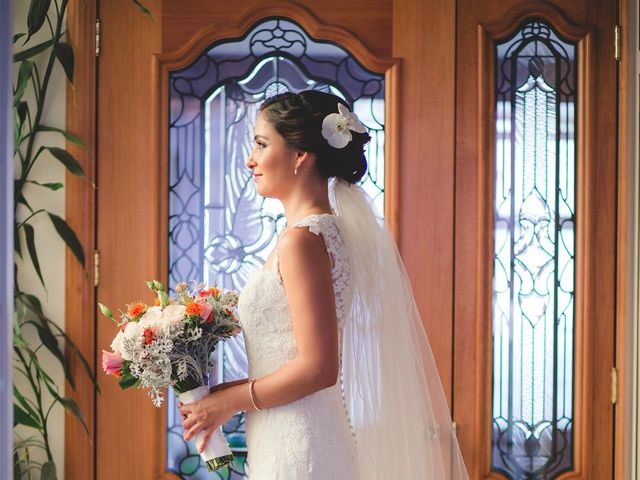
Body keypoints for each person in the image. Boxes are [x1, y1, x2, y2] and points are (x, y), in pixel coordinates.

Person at [178, 90, 469, 479]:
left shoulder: (302, 241)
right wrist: (220, 396)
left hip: (300, 446)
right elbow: (290, 356)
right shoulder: (318, 235)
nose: (250, 160)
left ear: (300, 156)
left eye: (262, 145)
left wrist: (231, 400)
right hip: (290, 434)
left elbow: (319, 367)